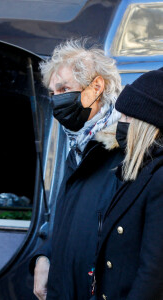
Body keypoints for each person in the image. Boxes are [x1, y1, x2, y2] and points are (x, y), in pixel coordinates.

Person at [31, 39, 123, 300]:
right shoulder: (76, 144)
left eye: (64, 88)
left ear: (96, 87)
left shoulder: (125, 151)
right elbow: (67, 218)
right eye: (52, 93)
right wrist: (44, 254)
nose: (57, 100)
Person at [94, 68, 163, 300]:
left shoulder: (159, 178)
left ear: (145, 124)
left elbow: (152, 273)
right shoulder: (138, 171)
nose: (119, 123)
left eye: (126, 117)